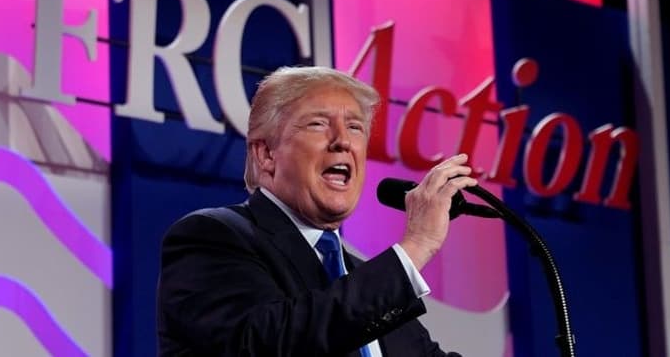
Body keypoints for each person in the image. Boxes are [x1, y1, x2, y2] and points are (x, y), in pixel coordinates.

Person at [157, 65, 477, 356]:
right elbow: (270, 343)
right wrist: (417, 244)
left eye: (355, 127)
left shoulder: (364, 280)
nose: (343, 141)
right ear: (266, 153)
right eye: (318, 124)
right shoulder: (212, 237)